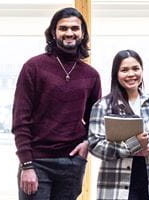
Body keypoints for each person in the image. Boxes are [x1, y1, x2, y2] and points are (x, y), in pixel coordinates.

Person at [12, 7, 101, 200]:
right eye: (63, 28)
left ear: (82, 33)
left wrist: (87, 143)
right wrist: (26, 164)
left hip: (72, 163)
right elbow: (20, 120)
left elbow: (95, 120)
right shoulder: (33, 67)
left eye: (75, 28)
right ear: (54, 32)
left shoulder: (91, 75)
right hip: (37, 162)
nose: (69, 33)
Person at [88, 49, 149, 200]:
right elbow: (95, 145)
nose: (131, 74)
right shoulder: (102, 106)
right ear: (116, 74)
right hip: (116, 185)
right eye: (124, 70)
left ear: (142, 70)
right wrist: (132, 145)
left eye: (136, 68)